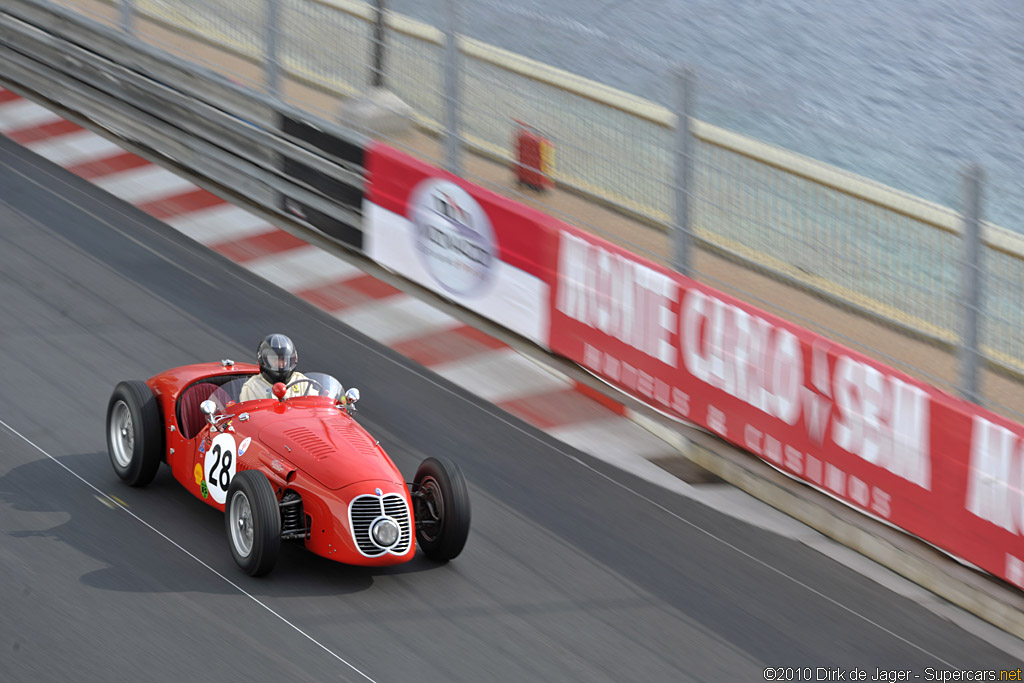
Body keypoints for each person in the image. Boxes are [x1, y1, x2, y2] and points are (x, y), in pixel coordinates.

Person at [239, 333, 310, 401]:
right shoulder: (252, 387)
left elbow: (315, 407)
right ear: (264, 360)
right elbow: (248, 412)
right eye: (274, 359)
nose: (280, 364)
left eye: (283, 359)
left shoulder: (302, 381)